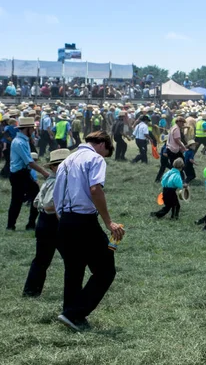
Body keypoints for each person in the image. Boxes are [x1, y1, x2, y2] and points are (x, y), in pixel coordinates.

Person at [53, 131, 124, 331]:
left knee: (74, 271)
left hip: (65, 220)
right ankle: (74, 313)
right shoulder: (94, 159)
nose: (104, 158)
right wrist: (109, 222)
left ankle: (71, 316)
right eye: (106, 153)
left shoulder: (66, 161)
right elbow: (95, 190)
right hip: (84, 220)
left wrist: (64, 218)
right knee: (106, 270)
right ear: (102, 144)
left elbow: (56, 195)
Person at [23, 149, 70, 297]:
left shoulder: (48, 181)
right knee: (71, 259)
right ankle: (72, 292)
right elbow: (50, 204)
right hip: (53, 223)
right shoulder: (57, 182)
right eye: (61, 165)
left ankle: (31, 291)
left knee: (41, 259)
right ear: (53, 167)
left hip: (43, 222)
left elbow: (36, 203)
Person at [7, 117, 49, 231]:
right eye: (32, 128)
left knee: (28, 198)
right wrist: (45, 173)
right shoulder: (20, 142)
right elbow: (29, 162)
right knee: (19, 200)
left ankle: (23, 225)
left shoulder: (23, 140)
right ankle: (18, 225)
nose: (34, 131)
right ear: (28, 129)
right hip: (19, 175)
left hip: (22, 174)